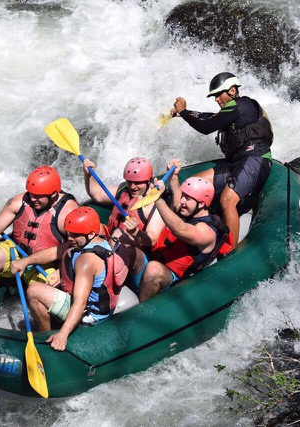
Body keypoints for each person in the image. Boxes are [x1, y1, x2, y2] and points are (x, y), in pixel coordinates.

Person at [0, 166, 79, 325]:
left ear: (53, 195)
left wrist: (61, 272)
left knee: (41, 292)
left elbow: (77, 247)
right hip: (17, 253)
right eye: (31, 194)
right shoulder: (19, 202)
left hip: (47, 263)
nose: (33, 199)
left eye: (38, 196)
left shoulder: (67, 212)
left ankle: (44, 331)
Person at [10, 206, 145, 351]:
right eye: (68, 233)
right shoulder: (96, 240)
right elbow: (57, 252)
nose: (70, 238)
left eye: (74, 235)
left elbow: (80, 302)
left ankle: (45, 337)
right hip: (100, 302)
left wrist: (63, 334)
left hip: (89, 315)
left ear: (91, 233)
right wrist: (26, 261)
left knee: (34, 290)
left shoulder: (86, 261)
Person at [171, 72, 273, 247]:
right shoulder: (232, 110)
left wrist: (184, 111)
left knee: (227, 199)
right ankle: (197, 228)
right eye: (214, 96)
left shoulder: (241, 105)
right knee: (195, 182)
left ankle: (230, 252)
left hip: (255, 158)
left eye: (219, 94)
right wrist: (184, 114)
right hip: (237, 163)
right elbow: (210, 117)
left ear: (232, 91)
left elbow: (207, 126)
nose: (217, 99)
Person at [138, 160, 230, 302]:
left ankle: (139, 316)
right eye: (183, 197)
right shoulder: (189, 209)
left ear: (201, 204)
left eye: (187, 198)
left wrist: (157, 199)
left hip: (174, 278)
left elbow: (180, 230)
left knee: (153, 270)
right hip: (157, 258)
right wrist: (173, 177)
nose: (182, 201)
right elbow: (176, 197)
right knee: (131, 251)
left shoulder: (207, 231)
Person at [82, 157, 165, 249]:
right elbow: (98, 194)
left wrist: (135, 232)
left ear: (148, 181)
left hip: (137, 251)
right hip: (111, 239)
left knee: (118, 235)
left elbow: (152, 239)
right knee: (87, 228)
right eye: (129, 181)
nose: (133, 187)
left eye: (138, 183)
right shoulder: (123, 189)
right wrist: (88, 175)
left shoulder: (154, 204)